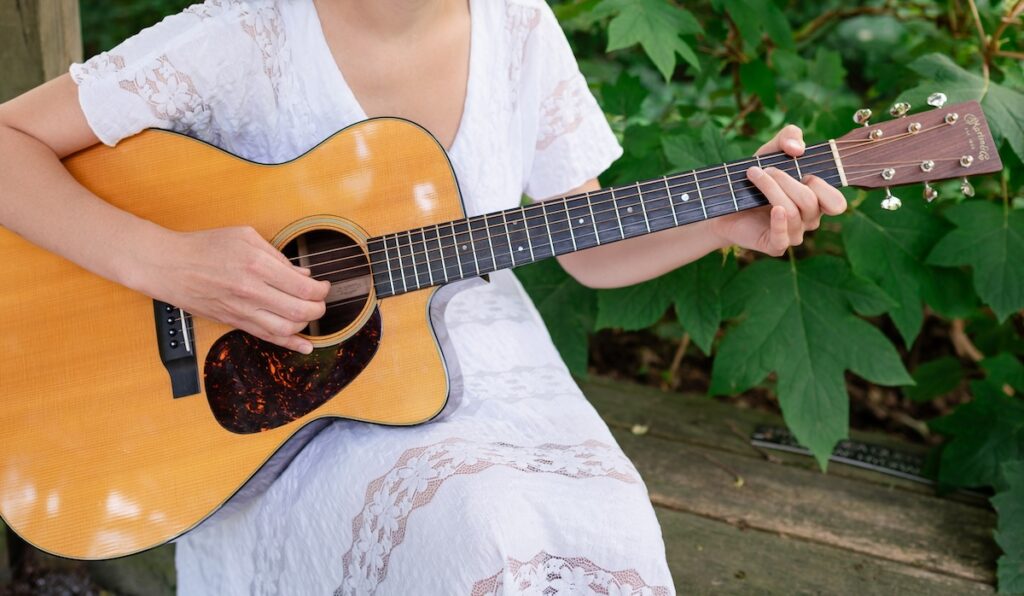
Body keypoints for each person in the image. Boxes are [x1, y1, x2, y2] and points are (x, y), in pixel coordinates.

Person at [0, 0, 846, 593]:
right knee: (484, 526)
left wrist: (722, 226)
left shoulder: (517, 23)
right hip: (288, 400)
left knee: (612, 528)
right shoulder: (244, 34)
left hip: (495, 363)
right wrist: (167, 264)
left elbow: (584, 244)